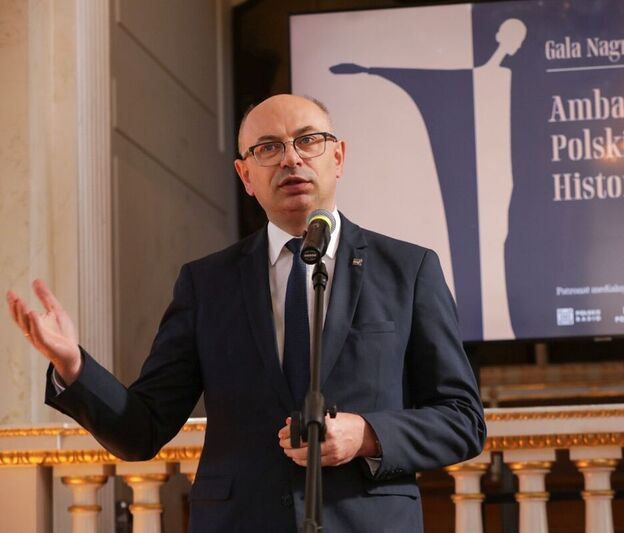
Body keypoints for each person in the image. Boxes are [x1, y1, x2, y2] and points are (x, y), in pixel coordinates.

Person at [6, 94, 486, 532]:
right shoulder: (206, 284)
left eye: (308, 141)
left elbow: (463, 420)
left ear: (338, 157)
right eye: (269, 148)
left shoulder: (408, 269)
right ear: (245, 176)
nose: (292, 158)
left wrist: (367, 435)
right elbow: (141, 430)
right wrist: (73, 365)